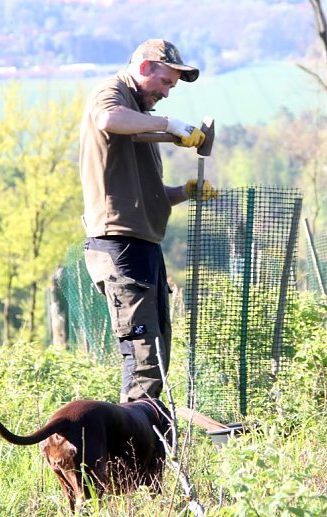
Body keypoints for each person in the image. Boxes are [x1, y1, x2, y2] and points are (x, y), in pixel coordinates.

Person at [79, 39, 215, 402]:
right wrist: (169, 124)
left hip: (143, 244)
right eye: (166, 82)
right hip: (119, 245)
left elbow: (145, 193)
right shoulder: (111, 94)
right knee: (142, 358)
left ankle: (148, 448)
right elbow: (108, 118)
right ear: (144, 69)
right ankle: (133, 451)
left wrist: (185, 192)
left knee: (156, 354)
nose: (168, 93)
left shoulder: (137, 117)